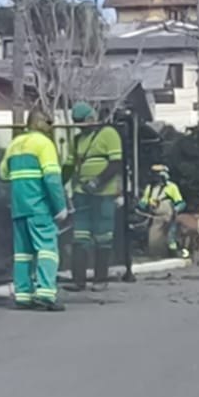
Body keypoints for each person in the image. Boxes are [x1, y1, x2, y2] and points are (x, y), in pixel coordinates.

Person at [0, 109, 68, 311]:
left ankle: (23, 296)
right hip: (39, 208)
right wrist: (60, 206)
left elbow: (3, 173)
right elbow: (52, 178)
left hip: (19, 208)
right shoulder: (44, 144)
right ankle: (45, 294)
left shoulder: (15, 144)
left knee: (22, 254)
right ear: (40, 123)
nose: (50, 127)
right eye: (48, 123)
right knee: (47, 250)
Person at [68, 101, 124, 289]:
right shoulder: (77, 140)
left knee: (103, 237)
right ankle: (78, 281)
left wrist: (97, 181)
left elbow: (116, 163)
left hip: (104, 194)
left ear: (91, 118)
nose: (80, 126)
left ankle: (101, 280)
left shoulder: (109, 134)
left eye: (82, 122)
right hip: (81, 193)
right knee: (79, 237)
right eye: (77, 123)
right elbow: (69, 166)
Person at [139, 164, 187, 257]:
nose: (155, 178)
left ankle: (175, 255)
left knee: (170, 238)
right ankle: (156, 256)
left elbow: (181, 203)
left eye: (157, 175)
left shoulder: (172, 187)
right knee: (153, 241)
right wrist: (139, 206)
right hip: (154, 218)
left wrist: (176, 209)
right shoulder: (150, 188)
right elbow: (144, 202)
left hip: (168, 217)